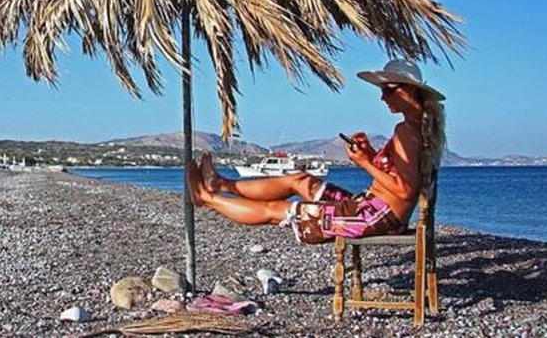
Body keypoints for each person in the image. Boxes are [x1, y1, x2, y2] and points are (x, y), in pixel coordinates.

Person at [187, 59, 446, 244]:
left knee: (281, 210)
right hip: (370, 206)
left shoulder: (407, 131)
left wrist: (364, 162)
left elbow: (404, 190)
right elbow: (401, 176)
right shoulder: (417, 127)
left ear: (409, 90)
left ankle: (206, 199)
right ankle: (220, 183)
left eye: (387, 90)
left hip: (376, 216)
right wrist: (370, 153)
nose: (382, 98)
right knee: (299, 180)